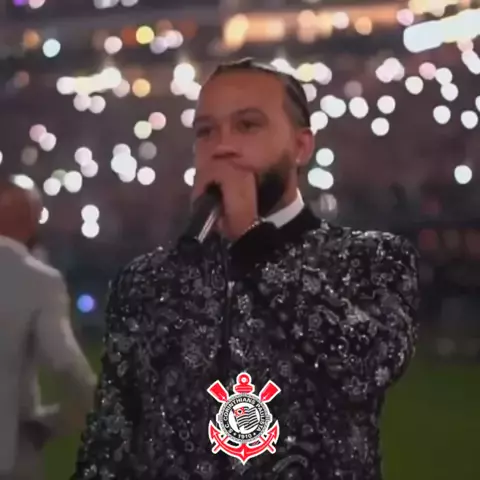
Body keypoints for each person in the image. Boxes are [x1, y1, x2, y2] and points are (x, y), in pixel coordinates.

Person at [73, 58, 420, 480]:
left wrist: (254, 244)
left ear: (301, 146)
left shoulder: (372, 259)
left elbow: (369, 367)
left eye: (248, 125)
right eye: (206, 131)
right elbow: (109, 445)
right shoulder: (147, 281)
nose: (222, 146)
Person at [0, 178, 97, 480]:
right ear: (32, 221)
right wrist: (69, 417)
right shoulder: (39, 280)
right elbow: (65, 362)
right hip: (11, 454)